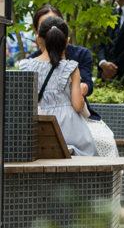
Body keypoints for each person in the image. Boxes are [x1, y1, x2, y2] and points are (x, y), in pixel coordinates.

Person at [19, 17, 99, 156]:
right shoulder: (71, 67)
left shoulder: (26, 66)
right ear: (66, 41)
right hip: (70, 129)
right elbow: (78, 106)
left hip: (38, 128)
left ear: (39, 39)